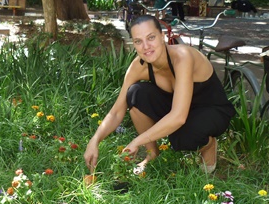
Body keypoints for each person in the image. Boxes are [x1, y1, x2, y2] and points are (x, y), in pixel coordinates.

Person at [84, 15, 236, 175]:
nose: (146, 46)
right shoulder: (138, 67)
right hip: (178, 108)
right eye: (138, 41)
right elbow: (116, 111)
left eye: (151, 38)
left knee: (181, 136)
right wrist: (95, 140)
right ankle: (152, 154)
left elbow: (178, 117)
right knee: (135, 93)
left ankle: (208, 145)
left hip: (211, 110)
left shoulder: (182, 57)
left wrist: (137, 141)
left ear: (162, 36)